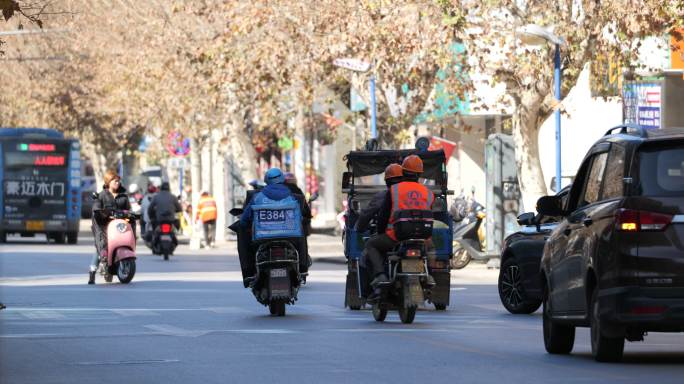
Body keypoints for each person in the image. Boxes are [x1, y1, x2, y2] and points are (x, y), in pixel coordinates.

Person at [362, 155, 434, 300]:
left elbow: (383, 215)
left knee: (371, 244)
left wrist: (381, 232)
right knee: (431, 249)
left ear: (404, 171)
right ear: (420, 174)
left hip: (396, 237)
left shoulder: (394, 190)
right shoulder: (429, 193)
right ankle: (430, 274)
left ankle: (381, 275)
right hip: (421, 238)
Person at [238, 168, 309, 287]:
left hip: (262, 239)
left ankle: (248, 272)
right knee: (301, 231)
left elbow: (244, 219)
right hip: (291, 238)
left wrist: (242, 225)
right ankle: (302, 268)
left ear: (266, 180)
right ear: (282, 179)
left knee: (241, 230)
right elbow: (302, 216)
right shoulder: (294, 197)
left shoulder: (257, 197)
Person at [88, 170, 132, 284]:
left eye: (118, 181)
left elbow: (129, 209)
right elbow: (96, 207)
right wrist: (100, 211)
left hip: (119, 226)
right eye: (115, 181)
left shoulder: (123, 196)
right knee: (101, 246)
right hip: (104, 226)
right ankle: (92, 272)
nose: (117, 183)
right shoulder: (102, 195)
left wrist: (131, 214)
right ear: (108, 182)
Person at [354, 163, 403, 233]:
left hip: (391, 236)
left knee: (370, 243)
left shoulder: (382, 196)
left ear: (386, 182)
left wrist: (360, 228)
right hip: (414, 233)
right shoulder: (412, 193)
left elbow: (367, 215)